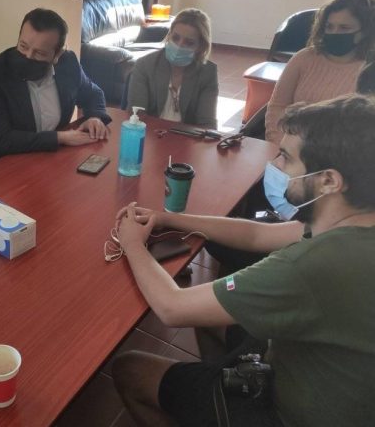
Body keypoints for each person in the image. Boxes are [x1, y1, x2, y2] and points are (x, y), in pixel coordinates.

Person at [111, 95, 375, 427]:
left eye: (286, 157)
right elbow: (257, 235)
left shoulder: (311, 266)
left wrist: (132, 243)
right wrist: (169, 218)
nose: (276, 166)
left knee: (131, 369)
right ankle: (212, 397)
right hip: (315, 371)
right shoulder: (351, 221)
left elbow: (171, 307)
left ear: (329, 181)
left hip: (291, 411)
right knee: (211, 313)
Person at [0, 8, 112, 173]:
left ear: (57, 55)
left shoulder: (67, 63)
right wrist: (60, 138)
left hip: (46, 161)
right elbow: (1, 140)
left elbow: (93, 94)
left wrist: (95, 117)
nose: (28, 56)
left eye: (39, 53)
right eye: (23, 46)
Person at [265, 0, 375, 143]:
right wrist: (280, 144)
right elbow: (277, 106)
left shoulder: (369, 71)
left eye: (344, 28)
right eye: (329, 27)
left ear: (365, 32)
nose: (335, 33)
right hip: (288, 145)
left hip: (340, 151)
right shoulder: (304, 58)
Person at [126, 8, 218, 128]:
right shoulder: (145, 65)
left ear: (200, 47)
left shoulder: (208, 72)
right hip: (150, 133)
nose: (179, 46)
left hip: (187, 137)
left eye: (189, 43)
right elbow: (136, 114)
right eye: (175, 38)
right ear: (169, 36)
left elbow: (207, 124)